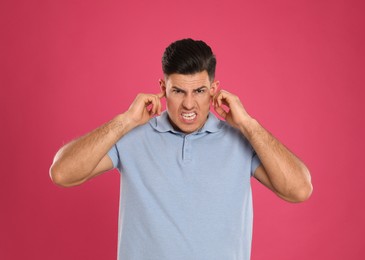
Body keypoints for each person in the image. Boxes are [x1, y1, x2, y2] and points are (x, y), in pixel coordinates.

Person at [50, 38, 312, 260]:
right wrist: (124, 121)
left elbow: (299, 189)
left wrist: (248, 124)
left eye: (199, 91)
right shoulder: (133, 136)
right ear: (163, 89)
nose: (189, 104)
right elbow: (62, 173)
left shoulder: (241, 140)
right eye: (178, 91)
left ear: (214, 90)